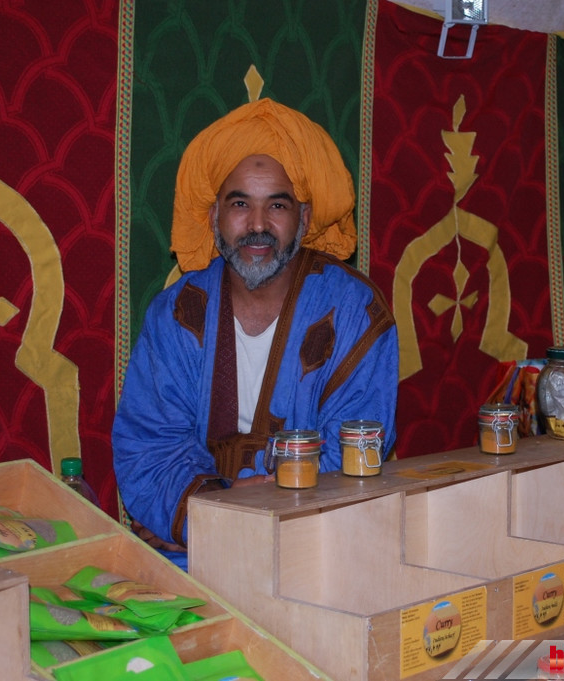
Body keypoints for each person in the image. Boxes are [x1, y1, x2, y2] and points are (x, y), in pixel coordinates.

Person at [112, 98, 399, 570]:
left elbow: (355, 454)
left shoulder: (355, 312)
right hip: (197, 549)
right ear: (214, 217)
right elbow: (149, 448)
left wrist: (227, 515)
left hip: (316, 548)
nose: (258, 226)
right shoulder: (176, 315)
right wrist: (207, 513)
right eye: (240, 204)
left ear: (304, 218)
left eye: (277, 206)